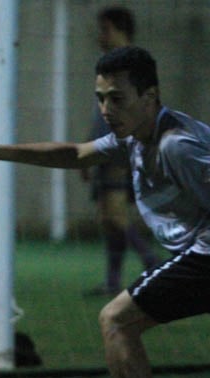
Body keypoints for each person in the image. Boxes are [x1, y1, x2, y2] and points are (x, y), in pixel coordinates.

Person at [0, 45, 210, 378]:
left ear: (151, 96)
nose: (106, 109)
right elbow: (73, 154)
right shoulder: (134, 135)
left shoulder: (176, 145)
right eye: (100, 98)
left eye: (117, 98)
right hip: (195, 255)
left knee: (118, 321)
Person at [82, 6, 159, 296]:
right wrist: (87, 149)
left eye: (105, 29)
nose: (100, 36)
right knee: (108, 219)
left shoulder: (134, 67)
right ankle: (113, 281)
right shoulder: (107, 65)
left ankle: (153, 262)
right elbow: (99, 115)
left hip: (120, 150)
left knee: (114, 215)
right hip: (103, 149)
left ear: (119, 29)